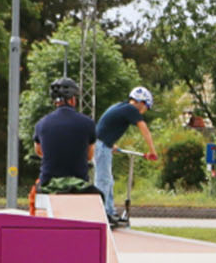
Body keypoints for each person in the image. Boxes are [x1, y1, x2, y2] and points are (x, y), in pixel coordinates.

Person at [94, 86, 159, 226]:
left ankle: (110, 211)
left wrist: (111, 144)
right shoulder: (131, 109)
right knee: (103, 180)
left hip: (103, 144)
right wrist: (152, 151)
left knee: (108, 180)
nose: (144, 110)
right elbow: (145, 130)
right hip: (101, 146)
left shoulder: (120, 107)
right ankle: (102, 213)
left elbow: (106, 127)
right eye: (146, 107)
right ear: (140, 102)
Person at [33, 77, 97, 189]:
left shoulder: (41, 124)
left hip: (49, 183)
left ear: (55, 101)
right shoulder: (88, 123)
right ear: (72, 99)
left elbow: (39, 151)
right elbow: (89, 155)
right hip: (79, 183)